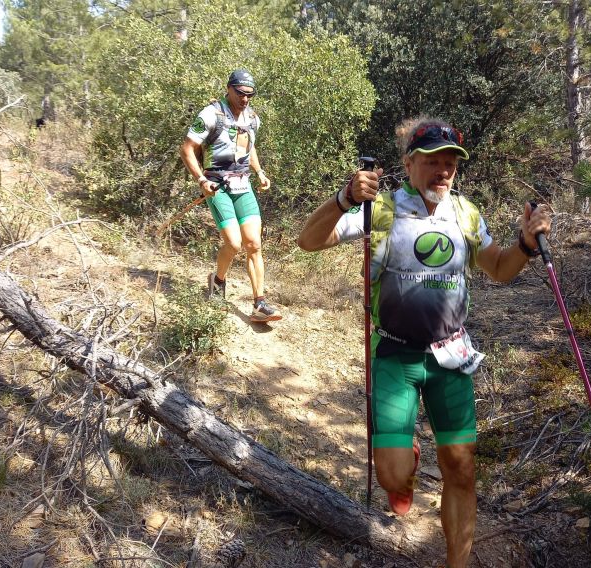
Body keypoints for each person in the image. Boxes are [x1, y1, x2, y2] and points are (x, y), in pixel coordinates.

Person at [297, 116, 551, 567]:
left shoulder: (466, 214)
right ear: (409, 163)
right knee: (393, 477)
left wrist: (526, 246)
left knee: (461, 465)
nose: (444, 170)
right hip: (396, 352)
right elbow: (309, 241)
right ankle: (406, 459)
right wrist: (343, 198)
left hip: (450, 356)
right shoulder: (383, 209)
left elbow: (499, 267)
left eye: (452, 161)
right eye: (434, 159)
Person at [180, 69, 281, 323]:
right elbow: (187, 148)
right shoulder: (210, 114)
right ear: (229, 88)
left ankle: (260, 304)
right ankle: (218, 281)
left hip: (243, 185)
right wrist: (202, 180)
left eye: (250, 95)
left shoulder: (252, 118)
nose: (245, 99)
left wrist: (259, 172)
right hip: (217, 186)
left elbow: (250, 146)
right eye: (240, 93)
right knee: (234, 244)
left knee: (254, 244)